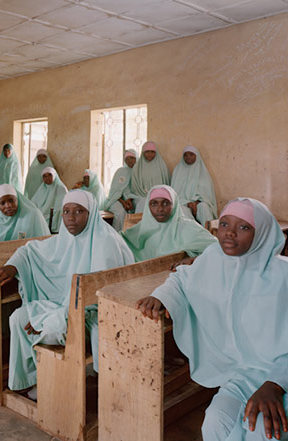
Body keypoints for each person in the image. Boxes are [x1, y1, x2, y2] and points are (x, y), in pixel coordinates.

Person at [137, 198, 288, 441]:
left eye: (244, 227)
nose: (230, 232)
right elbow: (183, 278)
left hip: (280, 374)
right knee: (215, 424)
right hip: (243, 373)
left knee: (263, 432)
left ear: (262, 234)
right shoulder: (214, 258)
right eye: (225, 223)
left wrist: (276, 383)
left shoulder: (283, 276)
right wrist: (162, 296)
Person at [0, 190, 134, 400]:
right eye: (66, 211)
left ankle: (54, 387)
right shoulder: (65, 237)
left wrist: (55, 315)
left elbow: (98, 295)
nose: (71, 218)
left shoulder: (105, 242)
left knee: (50, 328)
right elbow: (29, 250)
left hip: (93, 314)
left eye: (79, 211)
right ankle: (27, 380)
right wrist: (11, 267)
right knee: (18, 318)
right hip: (62, 306)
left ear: (91, 213)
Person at [121, 185, 217, 262]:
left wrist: (194, 260)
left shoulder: (187, 227)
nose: (160, 208)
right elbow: (121, 241)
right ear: (147, 206)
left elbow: (217, 248)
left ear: (174, 205)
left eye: (166, 203)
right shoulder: (142, 228)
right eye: (154, 204)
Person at [171, 145, 217, 226]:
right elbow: (174, 195)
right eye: (185, 155)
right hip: (183, 203)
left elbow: (207, 195)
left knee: (204, 207)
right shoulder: (177, 171)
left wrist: (196, 202)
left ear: (197, 156)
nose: (188, 157)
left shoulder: (203, 172)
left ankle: (209, 233)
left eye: (191, 154)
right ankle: (192, 234)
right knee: (182, 210)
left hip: (199, 202)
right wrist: (187, 203)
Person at [128, 141, 170, 213]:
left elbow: (166, 184)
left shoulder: (162, 166)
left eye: (152, 152)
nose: (150, 154)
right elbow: (135, 187)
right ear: (143, 152)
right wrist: (147, 195)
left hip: (159, 196)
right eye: (147, 152)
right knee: (144, 204)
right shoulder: (137, 167)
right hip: (140, 197)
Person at [103, 149, 138, 231]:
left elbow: (136, 190)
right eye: (127, 159)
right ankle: (119, 236)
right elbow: (116, 191)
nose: (129, 161)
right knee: (121, 213)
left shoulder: (139, 172)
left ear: (136, 158)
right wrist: (123, 202)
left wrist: (129, 199)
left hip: (132, 199)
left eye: (132, 158)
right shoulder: (121, 171)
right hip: (117, 200)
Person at [31, 167, 68, 233]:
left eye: (49, 175)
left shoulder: (60, 188)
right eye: (44, 176)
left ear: (54, 175)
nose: (47, 178)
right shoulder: (42, 188)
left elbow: (61, 206)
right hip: (42, 216)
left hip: (55, 217)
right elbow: (33, 203)